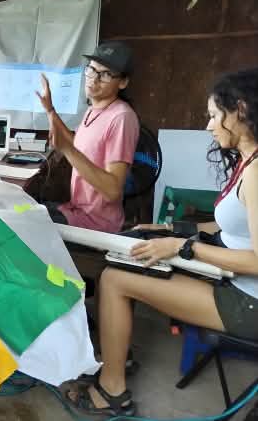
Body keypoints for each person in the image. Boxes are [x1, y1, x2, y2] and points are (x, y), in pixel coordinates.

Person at [68, 68, 258, 417]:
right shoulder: (248, 161)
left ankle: (111, 390)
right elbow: (231, 226)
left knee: (113, 279)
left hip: (248, 302)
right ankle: (116, 356)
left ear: (241, 111)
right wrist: (171, 229)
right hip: (233, 279)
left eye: (215, 115)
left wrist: (184, 248)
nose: (208, 125)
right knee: (130, 259)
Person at [37, 41, 140, 233]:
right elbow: (78, 146)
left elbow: (112, 191)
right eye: (92, 70)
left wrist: (67, 150)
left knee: (24, 223)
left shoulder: (121, 117)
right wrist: (50, 110)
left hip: (96, 224)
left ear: (123, 82)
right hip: (74, 210)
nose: (94, 79)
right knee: (22, 209)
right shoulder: (93, 109)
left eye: (106, 74)